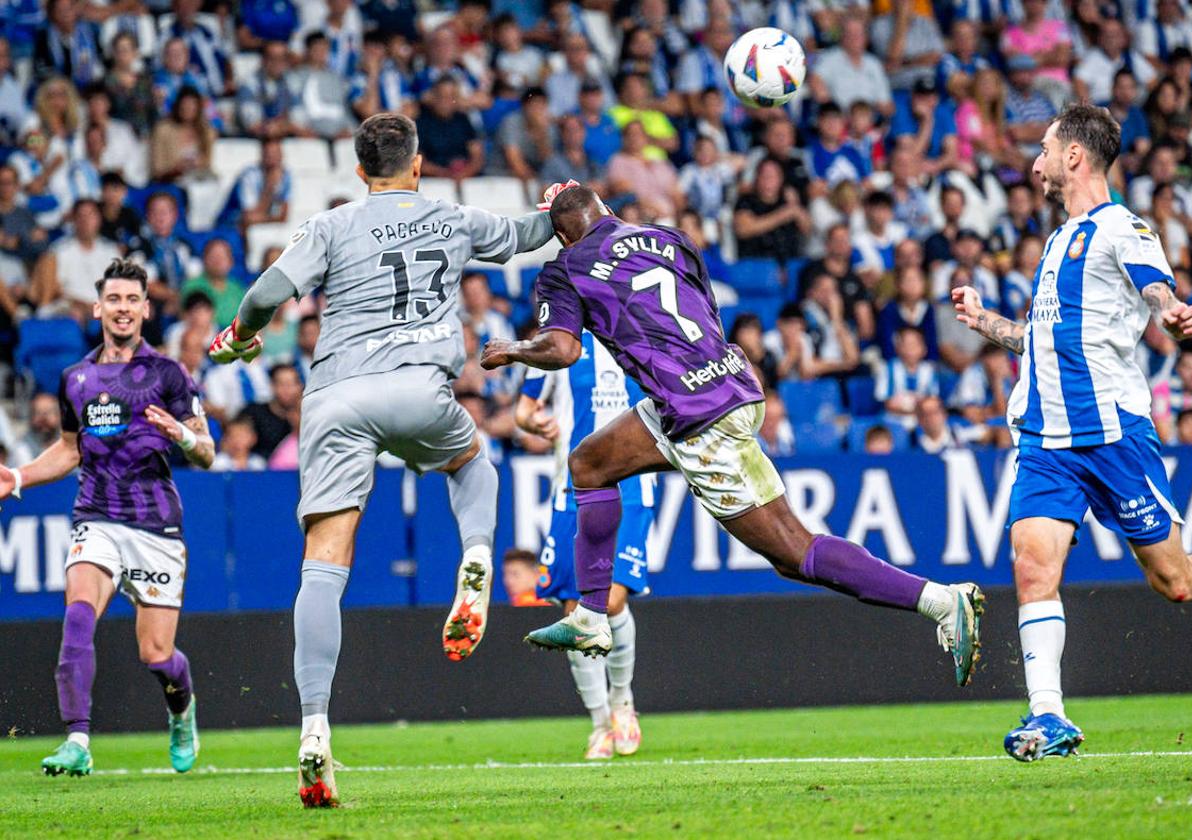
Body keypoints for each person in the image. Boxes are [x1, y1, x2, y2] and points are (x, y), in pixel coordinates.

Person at [480, 184, 984, 692]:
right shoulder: (665, 236)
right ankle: (591, 611)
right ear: (607, 211)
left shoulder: (565, 268)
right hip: (720, 384)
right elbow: (704, 305)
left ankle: (942, 601)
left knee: (794, 553)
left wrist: (514, 349)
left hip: (698, 416)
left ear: (560, 234)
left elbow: (562, 351)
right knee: (589, 462)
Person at [206, 113, 560, 807]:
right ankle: (478, 553)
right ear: (418, 164)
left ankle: (313, 728)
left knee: (324, 561)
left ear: (361, 173)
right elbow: (525, 237)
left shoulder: (334, 224)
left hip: (338, 398)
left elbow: (267, 295)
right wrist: (555, 211)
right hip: (422, 391)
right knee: (471, 464)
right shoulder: (452, 217)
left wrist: (241, 336)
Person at [951, 104, 1192, 762]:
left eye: (1044, 149)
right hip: (1045, 441)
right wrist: (985, 324)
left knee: (1175, 580)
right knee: (1031, 566)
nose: (1033, 163)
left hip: (1111, 431)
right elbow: (1038, 339)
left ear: (1074, 157)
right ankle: (1048, 717)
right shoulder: (1061, 240)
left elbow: (1155, 287)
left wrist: (1172, 312)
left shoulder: (1123, 227)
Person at [0, 258, 214, 776]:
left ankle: (182, 710)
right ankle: (77, 740)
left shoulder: (169, 373)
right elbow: (70, 449)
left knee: (157, 656)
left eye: (132, 300)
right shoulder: (76, 378)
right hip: (95, 514)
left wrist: (182, 436)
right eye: (113, 299)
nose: (122, 308)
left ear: (145, 308)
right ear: (98, 308)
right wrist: (21, 477)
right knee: (77, 613)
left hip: (155, 524)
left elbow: (206, 450)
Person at [514, 328, 656, 760]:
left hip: (633, 484)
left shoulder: (641, 333)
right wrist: (534, 422)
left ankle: (622, 703)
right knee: (575, 609)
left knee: (611, 602)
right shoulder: (560, 342)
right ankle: (599, 724)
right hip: (571, 489)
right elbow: (524, 411)